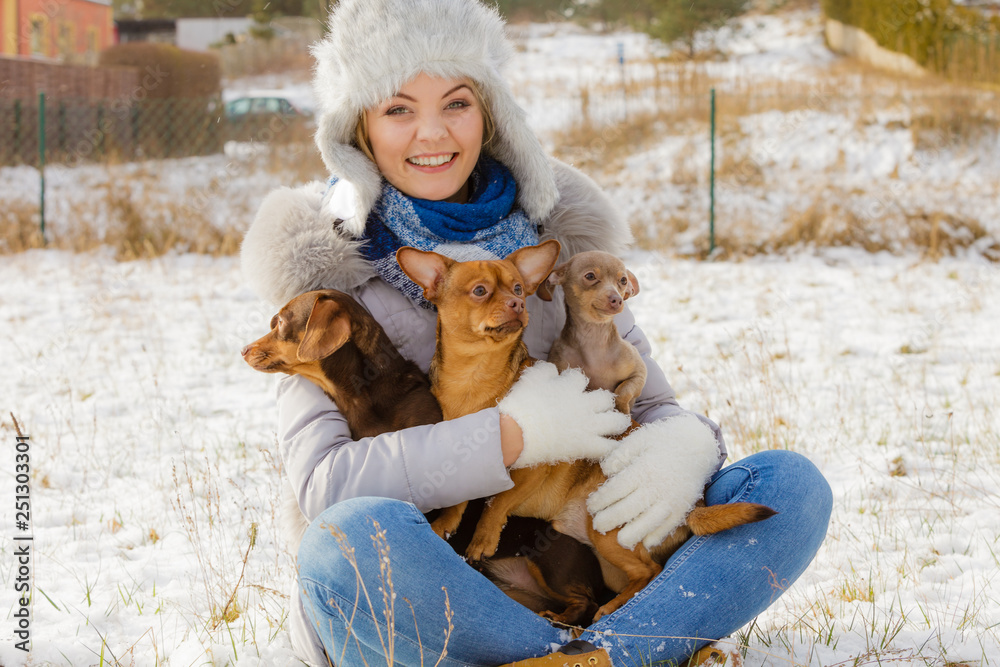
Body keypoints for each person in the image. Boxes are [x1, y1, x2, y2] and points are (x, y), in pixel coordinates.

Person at [240, 0, 833, 665]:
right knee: (343, 541)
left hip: (569, 573)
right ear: (358, 129)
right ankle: (617, 650)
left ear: (491, 113)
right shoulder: (330, 279)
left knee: (788, 487)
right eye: (398, 109)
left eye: (457, 103)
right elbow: (324, 486)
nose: (432, 134)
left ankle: (588, 653)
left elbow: (654, 405)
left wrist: (680, 450)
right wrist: (509, 437)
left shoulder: (557, 249)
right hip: (426, 589)